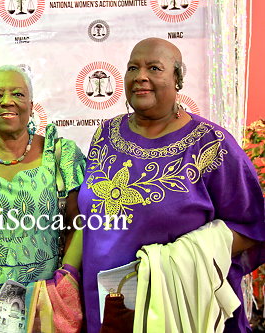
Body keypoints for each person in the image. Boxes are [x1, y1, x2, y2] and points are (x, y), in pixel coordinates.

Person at [78, 37, 265, 332]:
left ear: (177, 80)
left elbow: (253, 227)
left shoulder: (211, 145)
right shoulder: (105, 134)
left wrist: (177, 259)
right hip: (107, 303)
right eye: (132, 68)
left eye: (154, 68)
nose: (140, 76)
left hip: (178, 309)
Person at [0, 65, 86, 332]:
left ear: (32, 106)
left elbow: (77, 224)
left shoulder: (59, 156)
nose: (7, 101)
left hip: (43, 304)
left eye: (18, 94)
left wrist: (64, 284)